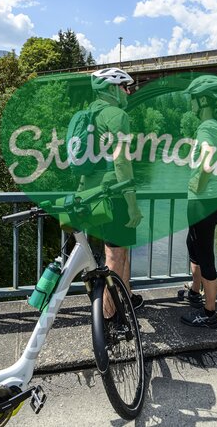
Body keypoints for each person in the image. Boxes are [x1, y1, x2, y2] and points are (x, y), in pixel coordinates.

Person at [80, 67, 145, 312]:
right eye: (124, 87)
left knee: (119, 251)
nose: (129, 92)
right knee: (114, 257)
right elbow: (121, 161)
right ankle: (109, 317)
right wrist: (132, 204)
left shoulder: (89, 114)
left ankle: (125, 299)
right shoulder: (116, 114)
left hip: (90, 193)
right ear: (111, 89)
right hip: (114, 194)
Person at [179, 75, 217, 329]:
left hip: (203, 200)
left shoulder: (207, 128)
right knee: (195, 246)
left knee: (205, 255)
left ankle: (209, 314)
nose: (190, 103)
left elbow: (207, 162)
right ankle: (194, 291)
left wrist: (195, 185)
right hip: (216, 198)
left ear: (203, 100)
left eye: (193, 99)